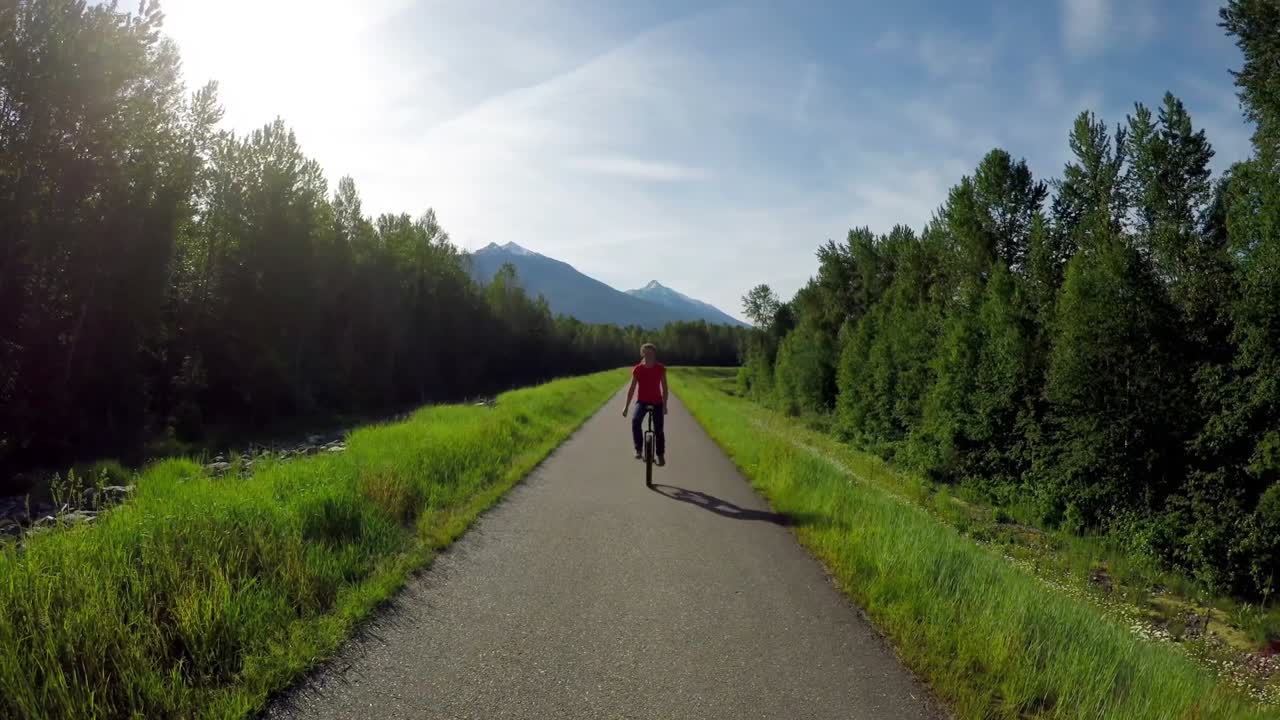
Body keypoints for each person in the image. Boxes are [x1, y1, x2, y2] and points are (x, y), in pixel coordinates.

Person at [623, 343, 668, 465]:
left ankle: (660, 454)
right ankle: (638, 449)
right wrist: (626, 407)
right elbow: (632, 388)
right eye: (646, 353)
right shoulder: (638, 369)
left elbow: (665, 388)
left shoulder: (660, 368)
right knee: (635, 421)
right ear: (642, 354)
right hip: (642, 402)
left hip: (657, 402)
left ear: (654, 354)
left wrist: (664, 406)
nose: (648, 355)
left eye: (651, 353)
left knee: (658, 429)